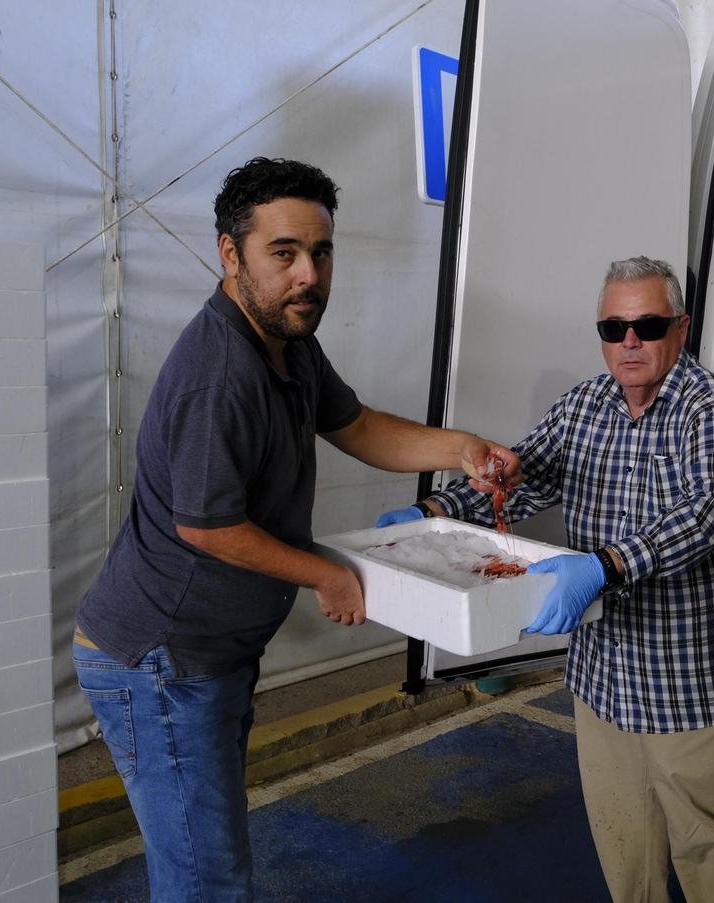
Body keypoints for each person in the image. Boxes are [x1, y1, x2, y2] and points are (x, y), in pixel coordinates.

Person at [72, 157, 520, 902]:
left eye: (321, 251)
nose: (308, 274)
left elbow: (360, 425)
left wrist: (461, 448)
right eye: (283, 253)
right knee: (206, 880)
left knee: (207, 858)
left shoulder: (291, 342)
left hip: (206, 655)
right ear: (230, 254)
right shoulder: (220, 373)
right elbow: (208, 527)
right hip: (160, 662)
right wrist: (327, 574)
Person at [378, 256, 714, 902]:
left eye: (647, 324)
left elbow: (709, 511)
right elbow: (520, 475)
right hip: (604, 676)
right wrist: (433, 513)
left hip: (691, 679)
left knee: (709, 851)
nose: (629, 341)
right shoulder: (585, 406)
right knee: (625, 850)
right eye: (613, 325)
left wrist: (605, 564)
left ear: (681, 328)